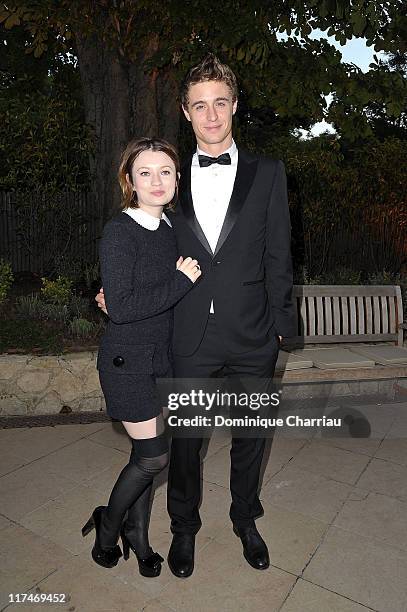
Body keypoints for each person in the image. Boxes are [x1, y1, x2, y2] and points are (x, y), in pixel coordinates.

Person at [96, 54, 295, 578]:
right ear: (185, 112)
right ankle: (183, 528)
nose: (211, 116)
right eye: (199, 106)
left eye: (220, 104)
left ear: (234, 106)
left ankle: (246, 520)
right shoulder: (169, 177)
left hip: (254, 335)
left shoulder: (268, 173)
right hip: (188, 337)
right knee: (186, 445)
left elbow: (280, 254)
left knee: (251, 439)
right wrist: (107, 294)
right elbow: (137, 240)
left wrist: (283, 325)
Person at [82, 137, 201, 578]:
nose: (156, 180)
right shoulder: (120, 231)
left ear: (176, 179)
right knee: (154, 458)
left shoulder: (171, 228)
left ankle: (140, 535)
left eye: (165, 171)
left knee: (143, 455)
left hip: (161, 360)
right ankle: (108, 525)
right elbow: (127, 306)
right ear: (129, 180)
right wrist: (179, 281)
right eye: (145, 172)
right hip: (127, 364)